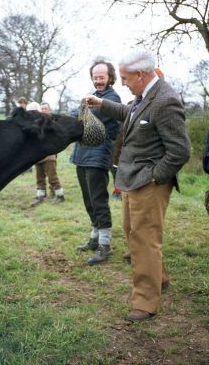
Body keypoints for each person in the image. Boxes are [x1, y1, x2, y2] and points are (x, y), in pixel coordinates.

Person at [85, 49, 191, 320]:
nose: (122, 83)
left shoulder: (165, 100)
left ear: (141, 75)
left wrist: (156, 176)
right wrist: (101, 104)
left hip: (149, 183)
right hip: (132, 181)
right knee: (134, 233)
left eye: (124, 78)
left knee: (144, 240)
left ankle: (145, 301)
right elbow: (130, 113)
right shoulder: (143, 96)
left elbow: (180, 150)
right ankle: (160, 278)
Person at [70, 59, 121, 265]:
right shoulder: (93, 96)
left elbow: (86, 114)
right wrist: (81, 109)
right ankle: (94, 237)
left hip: (98, 156)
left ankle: (105, 245)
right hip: (82, 155)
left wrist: (83, 108)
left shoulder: (111, 98)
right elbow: (75, 114)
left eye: (102, 77)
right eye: (95, 77)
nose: (98, 80)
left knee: (99, 200)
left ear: (110, 78)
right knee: (88, 199)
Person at [30, 101, 65, 206]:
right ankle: (40, 196)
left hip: (49, 155)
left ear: (49, 110)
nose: (43, 110)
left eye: (45, 108)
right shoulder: (37, 122)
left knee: (52, 177)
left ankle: (60, 196)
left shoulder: (53, 121)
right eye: (42, 108)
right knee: (39, 178)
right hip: (38, 155)